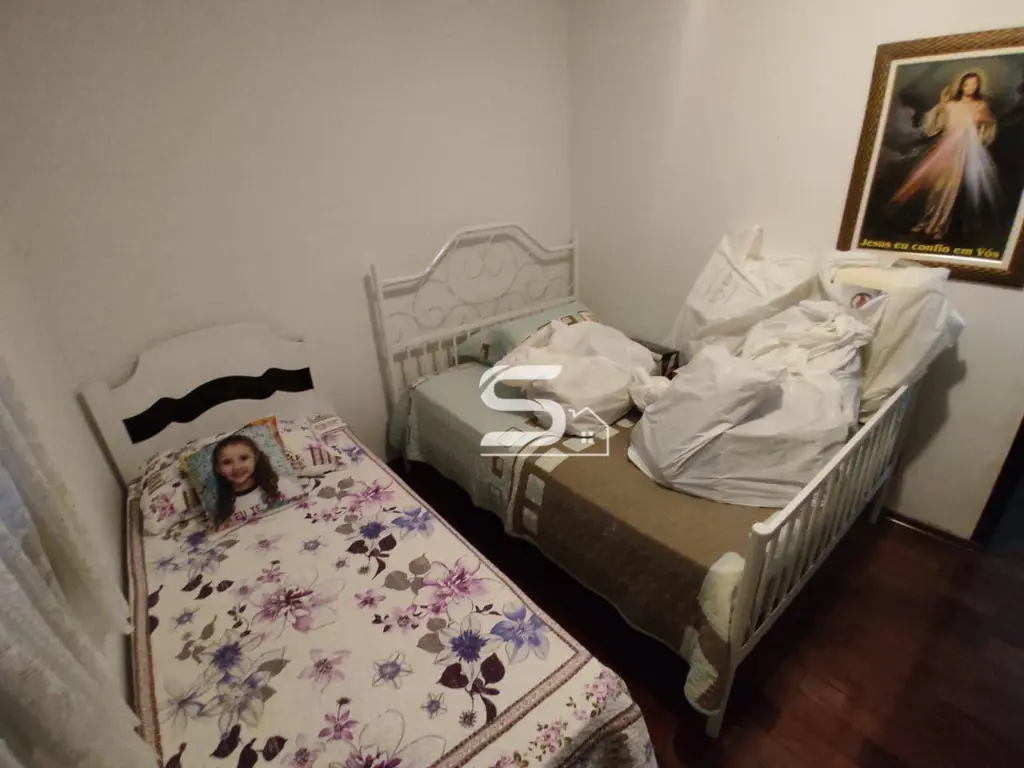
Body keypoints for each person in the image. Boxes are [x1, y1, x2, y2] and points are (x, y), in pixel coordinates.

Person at [890, 71, 999, 240]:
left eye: (974, 84)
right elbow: (933, 128)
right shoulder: (951, 105)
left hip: (964, 152)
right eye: (967, 84)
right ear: (961, 85)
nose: (970, 87)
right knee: (935, 187)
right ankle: (925, 222)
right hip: (944, 149)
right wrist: (941, 105)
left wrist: (980, 126)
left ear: (978, 86)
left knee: (951, 190)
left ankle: (938, 226)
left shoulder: (980, 105)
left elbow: (987, 128)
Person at [211, 435, 302, 530]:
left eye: (244, 458)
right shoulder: (223, 509)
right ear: (218, 468)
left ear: (256, 458)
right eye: (227, 462)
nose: (237, 467)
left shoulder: (281, 485)